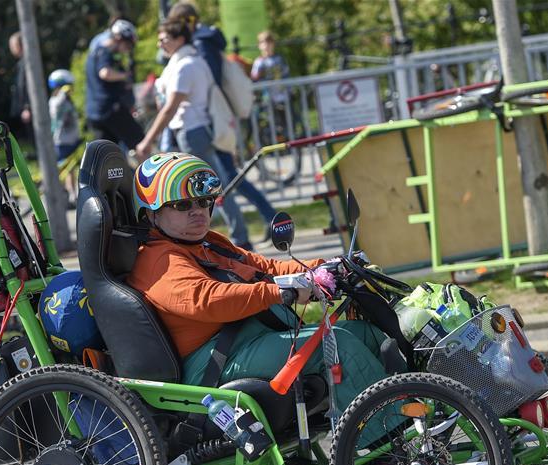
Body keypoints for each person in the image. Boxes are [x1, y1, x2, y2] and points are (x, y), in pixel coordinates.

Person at [127, 153, 391, 411]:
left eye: (204, 201)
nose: (198, 212)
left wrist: (326, 267)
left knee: (364, 334)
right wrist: (279, 292)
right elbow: (208, 300)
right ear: (151, 214)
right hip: (211, 363)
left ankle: (410, 413)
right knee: (339, 345)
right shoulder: (158, 258)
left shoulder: (208, 242)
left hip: (245, 340)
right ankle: (384, 445)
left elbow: (266, 267)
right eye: (183, 205)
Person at [135, 19, 253, 250]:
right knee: (207, 187)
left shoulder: (185, 65)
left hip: (193, 132)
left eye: (164, 38)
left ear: (179, 39)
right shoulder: (188, 62)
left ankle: (239, 238)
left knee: (207, 188)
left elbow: (171, 107)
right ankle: (235, 236)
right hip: (193, 131)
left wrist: (147, 141)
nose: (160, 42)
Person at [167, 2, 277, 242]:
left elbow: (208, 82)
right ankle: (268, 217)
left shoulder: (201, 43)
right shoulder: (203, 41)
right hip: (213, 119)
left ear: (185, 23)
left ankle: (263, 222)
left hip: (211, 120)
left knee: (226, 178)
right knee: (228, 176)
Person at [84, 19, 144, 150]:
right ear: (118, 38)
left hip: (95, 113)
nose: (127, 49)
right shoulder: (105, 52)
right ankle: (151, 170)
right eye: (127, 44)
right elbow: (105, 73)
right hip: (111, 110)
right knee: (141, 144)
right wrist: (125, 76)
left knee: (106, 156)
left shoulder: (93, 53)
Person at [48, 68, 81, 201]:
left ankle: (72, 194)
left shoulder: (66, 100)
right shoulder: (56, 101)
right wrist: (62, 93)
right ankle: (62, 195)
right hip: (62, 140)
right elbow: (56, 110)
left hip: (71, 139)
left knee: (71, 169)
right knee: (62, 169)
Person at [8, 32, 31, 138]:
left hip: (29, 108)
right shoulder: (22, 63)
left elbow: (26, 86)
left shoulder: (27, 63)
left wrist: (27, 107)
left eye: (13, 45)